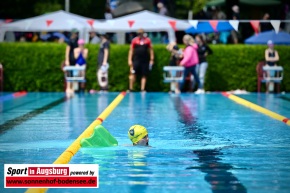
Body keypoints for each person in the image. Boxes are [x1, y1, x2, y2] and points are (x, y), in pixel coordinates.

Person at [65, 28, 79, 95]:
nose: (76, 34)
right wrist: (67, 60)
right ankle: (68, 88)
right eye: (75, 33)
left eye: (77, 33)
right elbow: (67, 51)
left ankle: (73, 88)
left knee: (75, 74)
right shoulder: (70, 41)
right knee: (69, 74)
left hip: (75, 60)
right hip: (70, 60)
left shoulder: (77, 40)